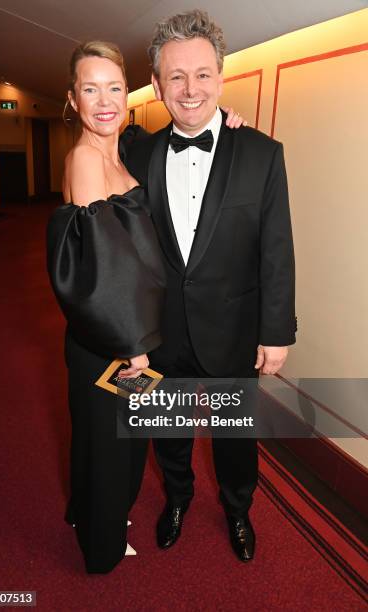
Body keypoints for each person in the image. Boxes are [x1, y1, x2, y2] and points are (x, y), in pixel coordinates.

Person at [122, 10, 296, 562]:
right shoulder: (138, 152)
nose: (190, 88)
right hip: (161, 331)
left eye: (202, 74)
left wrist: (277, 331)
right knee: (168, 431)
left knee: (234, 438)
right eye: (175, 76)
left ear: (221, 77)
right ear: (156, 85)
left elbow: (276, 250)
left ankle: (238, 509)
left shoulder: (263, 154)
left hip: (234, 328)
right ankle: (177, 498)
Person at [46, 41, 168, 574]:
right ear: (72, 98)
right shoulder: (85, 159)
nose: (104, 100)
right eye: (89, 88)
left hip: (120, 335)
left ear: (128, 93)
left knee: (100, 440)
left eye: (114, 87)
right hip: (114, 342)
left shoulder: (118, 151)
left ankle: (89, 512)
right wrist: (134, 350)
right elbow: (103, 274)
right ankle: (103, 545)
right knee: (115, 444)